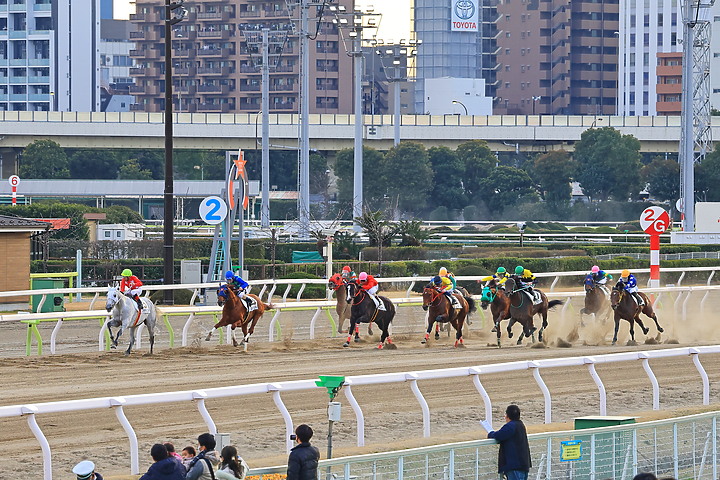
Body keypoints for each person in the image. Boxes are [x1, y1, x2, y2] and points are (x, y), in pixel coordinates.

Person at [482, 404, 531, 480]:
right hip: (523, 464)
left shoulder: (510, 426)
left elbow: (498, 435)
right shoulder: (521, 424)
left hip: (514, 465)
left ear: (507, 416)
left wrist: (490, 433)